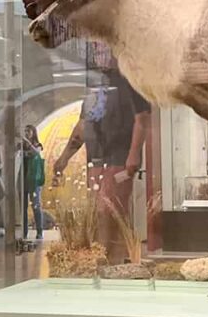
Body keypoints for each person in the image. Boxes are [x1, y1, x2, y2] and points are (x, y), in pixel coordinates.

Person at [54, 54, 151, 263]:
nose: (100, 55)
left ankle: (114, 259)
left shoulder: (131, 81)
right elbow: (82, 126)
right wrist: (64, 157)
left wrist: (133, 154)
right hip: (97, 157)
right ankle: (103, 258)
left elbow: (142, 119)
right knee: (98, 212)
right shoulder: (92, 87)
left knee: (111, 211)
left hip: (119, 158)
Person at [20, 124, 45, 241]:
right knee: (23, 206)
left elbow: (36, 152)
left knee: (35, 205)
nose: (26, 133)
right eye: (25, 131)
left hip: (34, 179)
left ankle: (39, 231)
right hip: (23, 178)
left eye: (28, 131)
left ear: (33, 133)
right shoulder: (22, 146)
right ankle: (24, 232)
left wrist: (28, 143)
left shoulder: (37, 145)